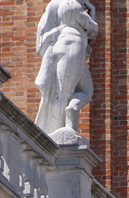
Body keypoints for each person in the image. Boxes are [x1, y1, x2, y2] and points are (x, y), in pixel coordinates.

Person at [34, 0, 98, 134]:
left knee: (85, 91)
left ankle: (70, 113)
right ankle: (59, 129)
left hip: (60, 47)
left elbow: (41, 30)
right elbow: (92, 29)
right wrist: (92, 10)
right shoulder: (72, 5)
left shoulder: (54, 5)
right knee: (65, 92)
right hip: (73, 46)